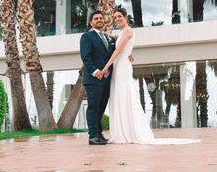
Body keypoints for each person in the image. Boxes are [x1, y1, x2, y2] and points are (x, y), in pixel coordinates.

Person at [101, 8, 200, 145]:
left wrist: (105, 67)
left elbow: (119, 50)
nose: (117, 19)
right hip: (120, 64)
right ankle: (122, 131)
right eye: (115, 17)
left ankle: (128, 133)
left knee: (124, 96)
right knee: (120, 96)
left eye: (120, 16)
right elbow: (115, 41)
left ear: (126, 17)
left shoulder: (128, 30)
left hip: (122, 66)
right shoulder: (122, 32)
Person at [79, 11, 114, 145]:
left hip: (106, 79)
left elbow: (113, 54)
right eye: (96, 18)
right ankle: (93, 136)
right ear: (91, 22)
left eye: (101, 18)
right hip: (93, 79)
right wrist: (95, 71)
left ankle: (98, 133)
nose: (99, 20)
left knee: (101, 107)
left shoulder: (107, 38)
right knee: (93, 107)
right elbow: (86, 56)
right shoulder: (87, 36)